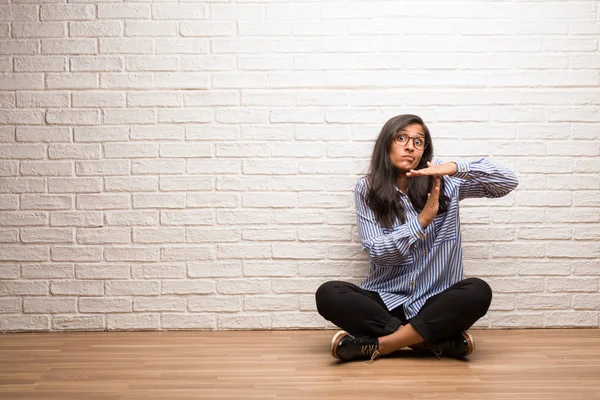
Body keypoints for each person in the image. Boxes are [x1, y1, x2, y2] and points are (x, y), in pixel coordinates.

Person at [315, 114, 518, 363]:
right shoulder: (367, 189)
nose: (410, 146)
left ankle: (379, 345)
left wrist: (454, 167)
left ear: (424, 150)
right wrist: (421, 221)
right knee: (328, 294)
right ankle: (431, 342)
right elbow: (378, 252)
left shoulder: (446, 184)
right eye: (401, 138)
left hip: (433, 302)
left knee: (477, 291)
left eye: (418, 141)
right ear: (386, 144)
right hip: (386, 302)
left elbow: (507, 182)